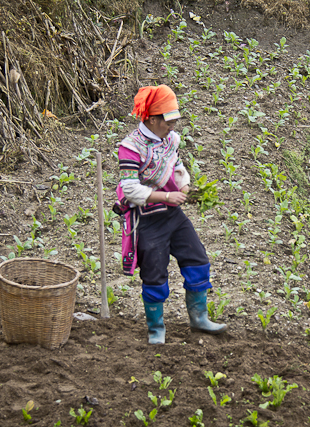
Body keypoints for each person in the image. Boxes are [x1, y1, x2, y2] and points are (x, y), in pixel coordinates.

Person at [114, 84, 227, 344]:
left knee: (197, 259)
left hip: (172, 215)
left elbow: (175, 163)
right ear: (152, 118)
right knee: (154, 273)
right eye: (169, 120)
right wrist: (166, 195)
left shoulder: (170, 139)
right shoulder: (130, 147)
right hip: (147, 219)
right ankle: (156, 329)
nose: (173, 125)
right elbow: (130, 189)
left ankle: (199, 319)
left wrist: (183, 183)